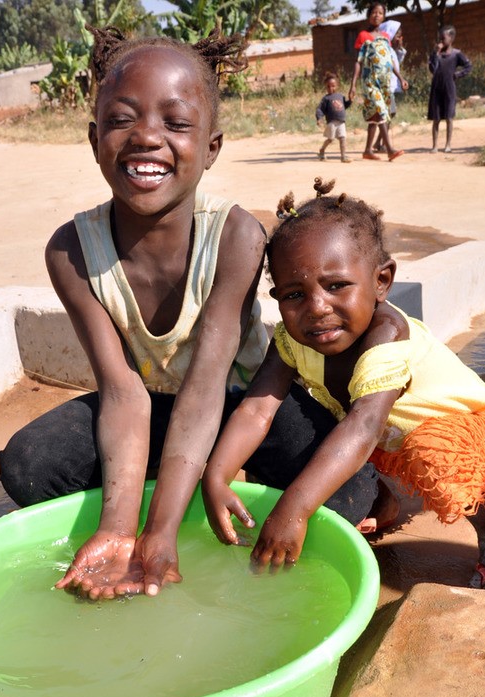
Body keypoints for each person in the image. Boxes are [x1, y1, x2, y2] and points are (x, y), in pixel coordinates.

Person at [0, 28, 381, 600]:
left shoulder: (235, 236)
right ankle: (172, 484)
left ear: (212, 147)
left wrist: (163, 532)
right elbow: (123, 393)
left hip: (239, 404)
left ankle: (196, 483)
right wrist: (120, 529)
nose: (147, 138)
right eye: (122, 119)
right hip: (145, 408)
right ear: (93, 136)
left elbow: (206, 388)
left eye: (176, 124)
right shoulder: (71, 251)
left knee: (350, 496)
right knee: (31, 465)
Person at [202, 177, 485, 589]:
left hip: (459, 433)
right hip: (388, 434)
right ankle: (386, 503)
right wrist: (216, 475)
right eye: (294, 294)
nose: (317, 308)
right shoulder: (290, 339)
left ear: (381, 281)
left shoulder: (386, 335)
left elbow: (363, 427)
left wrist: (293, 509)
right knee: (343, 437)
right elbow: (257, 408)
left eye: (336, 286)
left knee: (449, 477)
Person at [348, 2, 408, 161]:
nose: (377, 15)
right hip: (369, 82)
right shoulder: (363, 35)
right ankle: (389, 150)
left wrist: (401, 78)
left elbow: (390, 60)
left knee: (376, 116)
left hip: (385, 83)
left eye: (380, 13)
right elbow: (358, 61)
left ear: (383, 16)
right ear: (369, 15)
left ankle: (368, 150)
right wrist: (353, 84)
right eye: (374, 12)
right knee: (381, 110)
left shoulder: (386, 37)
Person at [428, 25, 472, 153]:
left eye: (443, 38)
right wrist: (435, 53)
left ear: (451, 38)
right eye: (439, 38)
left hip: (449, 88)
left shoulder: (456, 54)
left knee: (449, 117)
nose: (441, 41)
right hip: (436, 89)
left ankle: (448, 145)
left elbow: (468, 66)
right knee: (436, 119)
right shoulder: (436, 54)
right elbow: (432, 69)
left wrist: (457, 75)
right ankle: (435, 145)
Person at [372, 21, 406, 153]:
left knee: (389, 113)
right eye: (397, 36)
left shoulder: (391, 49)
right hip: (385, 87)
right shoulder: (384, 48)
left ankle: (378, 142)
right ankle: (381, 143)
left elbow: (398, 62)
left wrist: (400, 48)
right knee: (388, 113)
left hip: (390, 87)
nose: (399, 38)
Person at [316, 72, 352, 163]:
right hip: (332, 122)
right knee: (330, 139)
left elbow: (345, 106)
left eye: (333, 86)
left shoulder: (340, 96)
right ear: (326, 87)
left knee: (342, 138)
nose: (331, 88)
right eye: (328, 86)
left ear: (337, 86)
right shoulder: (326, 99)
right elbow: (319, 109)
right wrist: (319, 118)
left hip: (341, 122)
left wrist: (350, 100)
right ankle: (322, 150)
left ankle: (343, 156)